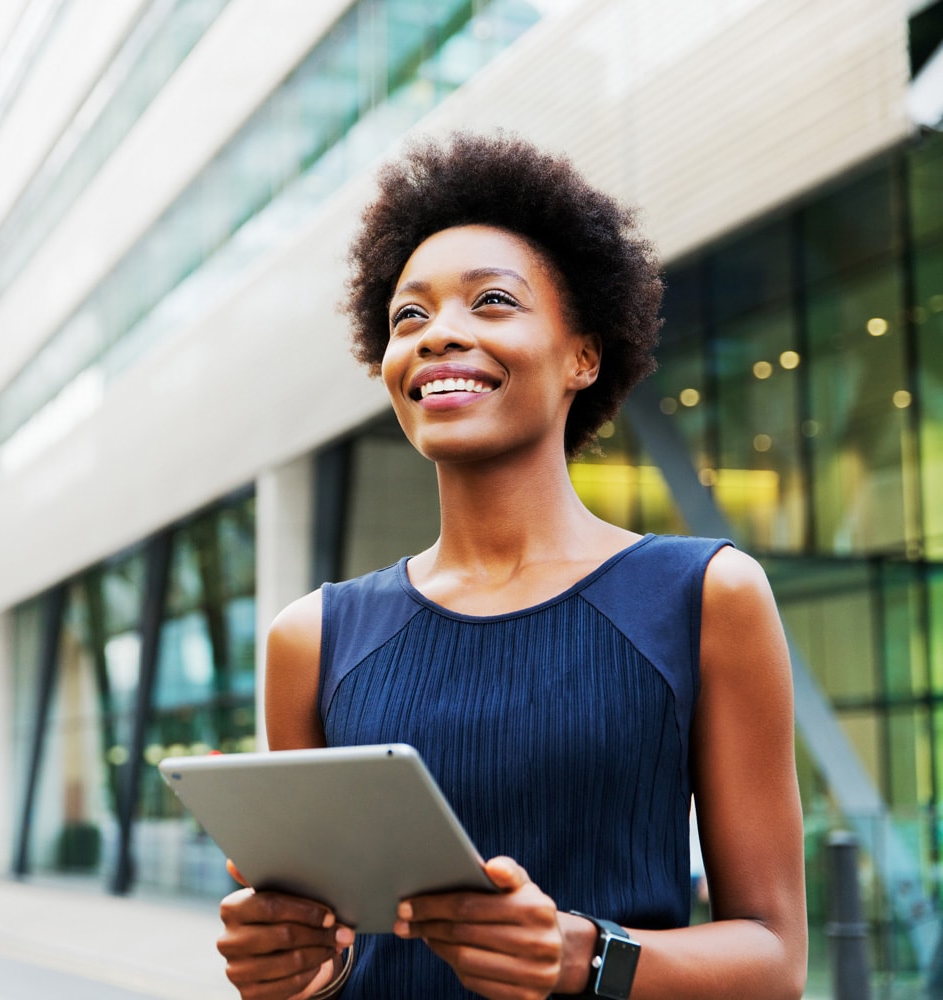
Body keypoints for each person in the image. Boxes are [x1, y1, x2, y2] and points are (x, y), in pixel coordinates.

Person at [215, 133, 807, 998]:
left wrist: (580, 954)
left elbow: (775, 960)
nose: (437, 334)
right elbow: (334, 967)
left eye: (492, 302)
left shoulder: (704, 596)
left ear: (583, 356)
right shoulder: (313, 636)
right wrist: (289, 973)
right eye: (407, 317)